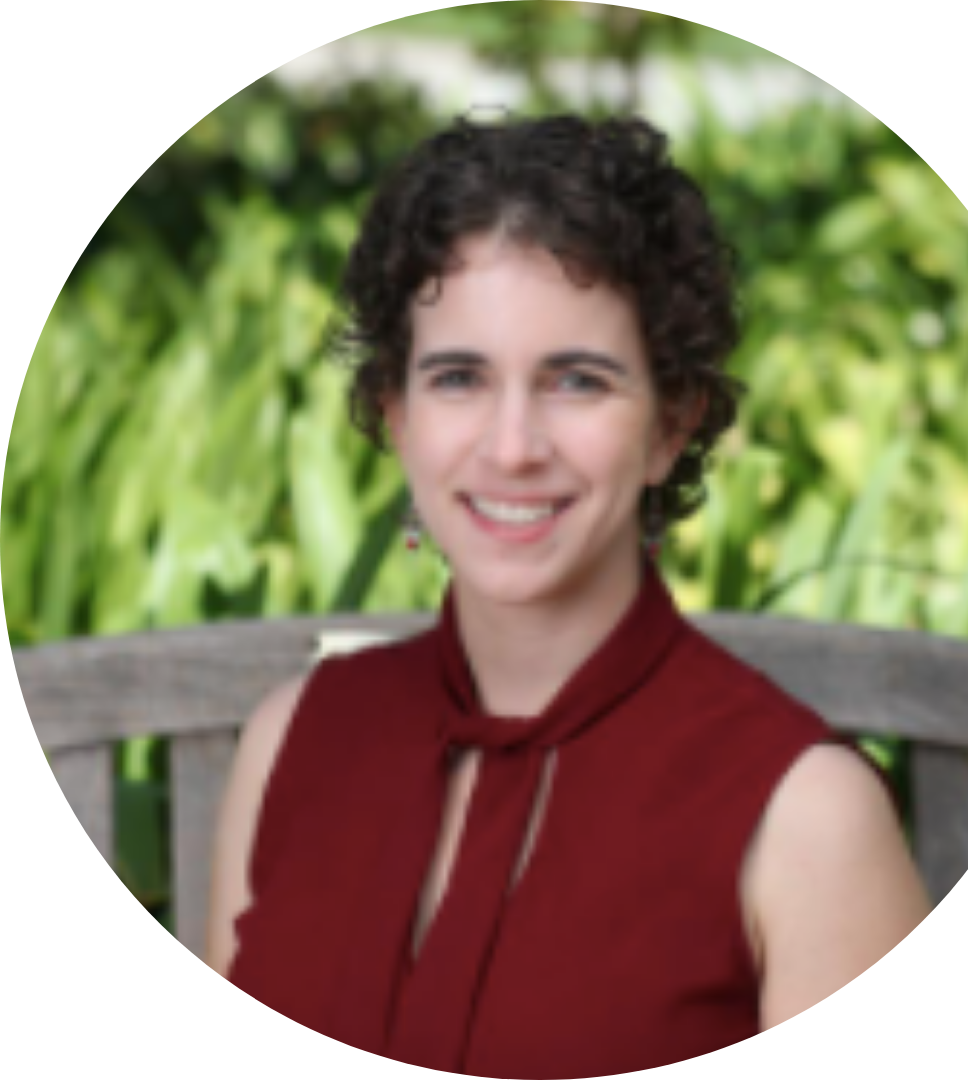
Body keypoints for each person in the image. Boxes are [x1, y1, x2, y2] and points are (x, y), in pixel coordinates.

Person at [206, 114, 930, 1076]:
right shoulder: (292, 739)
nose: (512, 446)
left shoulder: (807, 819)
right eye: (458, 377)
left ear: (672, 423)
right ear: (397, 414)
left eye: (577, 382)